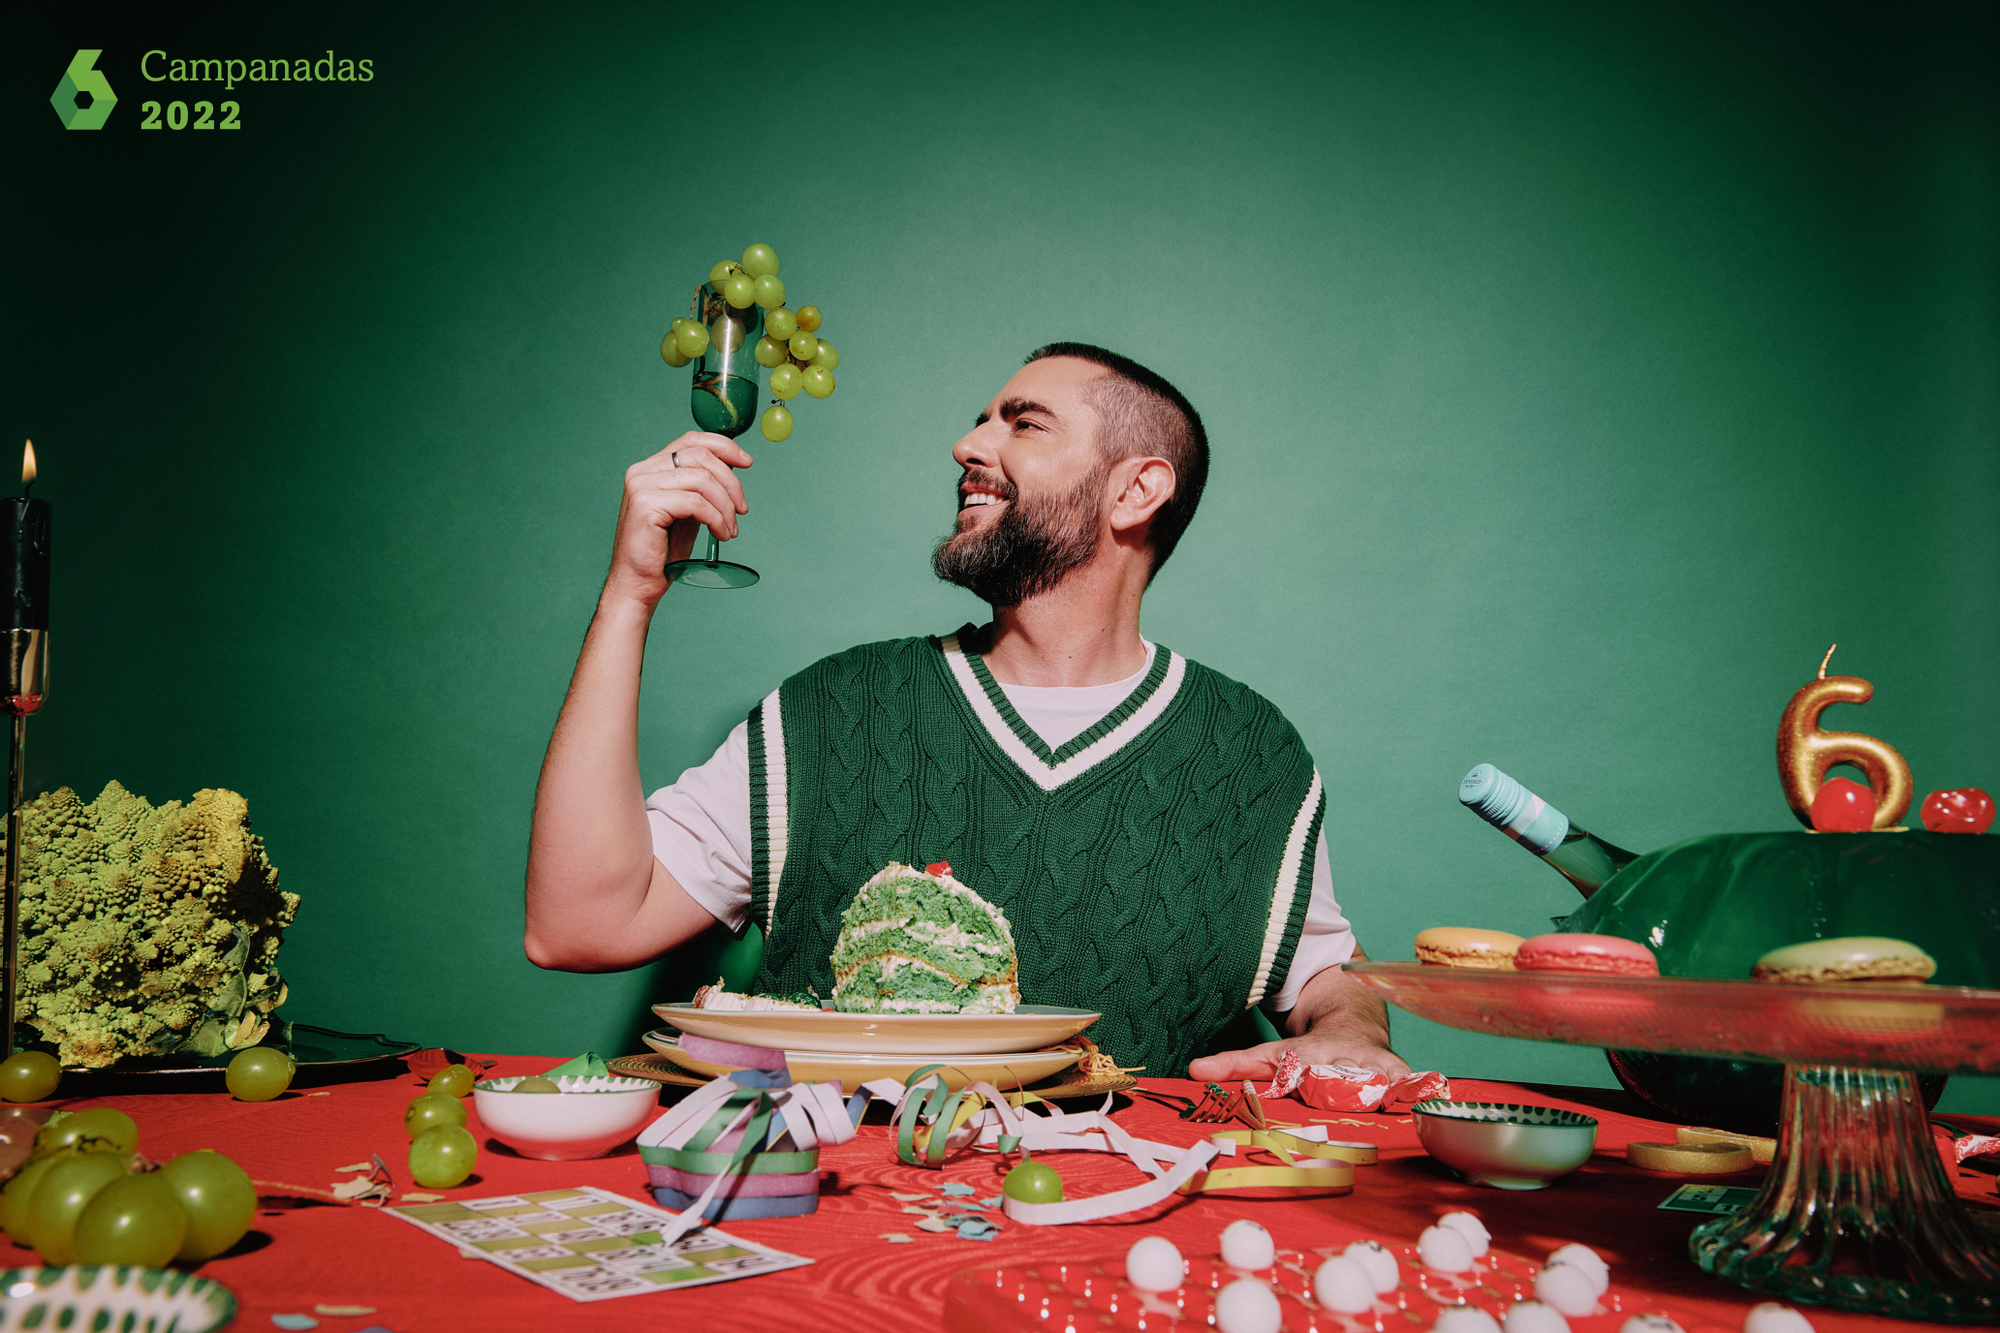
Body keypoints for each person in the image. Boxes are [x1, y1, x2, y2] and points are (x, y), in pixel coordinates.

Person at [525, 342, 1407, 1081]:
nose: (966, 444)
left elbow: (1328, 975)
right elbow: (577, 925)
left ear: (1136, 491)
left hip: (1124, 1241)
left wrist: (1351, 1033)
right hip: (833, 1237)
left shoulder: (1250, 754)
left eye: (1021, 423)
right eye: (981, 418)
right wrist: (631, 594)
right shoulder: (831, 710)